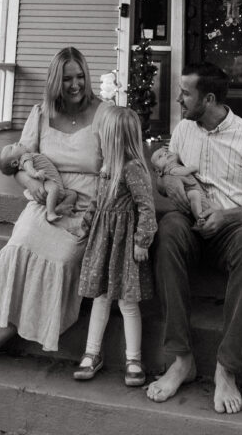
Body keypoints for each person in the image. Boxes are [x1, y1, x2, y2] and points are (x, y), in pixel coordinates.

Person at [0, 47, 111, 370]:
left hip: (86, 208)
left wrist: (95, 210)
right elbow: (18, 162)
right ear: (54, 81)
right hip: (44, 198)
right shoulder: (42, 113)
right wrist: (28, 182)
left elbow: (116, 168)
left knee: (59, 260)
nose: (75, 85)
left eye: (80, 77)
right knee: (18, 247)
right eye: (67, 79)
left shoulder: (105, 113)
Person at [147, 62, 242, 415]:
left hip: (230, 227)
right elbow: (165, 179)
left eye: (185, 93)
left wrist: (227, 216)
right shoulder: (184, 130)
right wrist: (170, 185)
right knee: (169, 229)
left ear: (207, 98)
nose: (177, 98)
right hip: (189, 223)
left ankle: (226, 369)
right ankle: (181, 359)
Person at [74, 107, 157, 388]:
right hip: (103, 241)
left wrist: (141, 241)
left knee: (126, 301)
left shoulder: (132, 168)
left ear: (115, 138)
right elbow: (97, 202)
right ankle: (92, 353)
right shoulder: (106, 167)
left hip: (124, 244)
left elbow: (146, 207)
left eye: (103, 135)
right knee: (100, 296)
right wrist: (85, 225)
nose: (99, 139)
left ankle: (134, 359)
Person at [0, 142, 78, 222]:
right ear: (15, 163)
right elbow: (29, 168)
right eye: (12, 148)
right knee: (54, 188)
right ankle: (50, 213)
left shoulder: (29, 156)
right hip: (46, 182)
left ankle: (60, 207)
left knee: (72, 194)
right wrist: (35, 174)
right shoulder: (25, 157)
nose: (15, 143)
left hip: (58, 188)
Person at [150, 146, 210, 226]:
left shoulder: (176, 165)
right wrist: (192, 168)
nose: (165, 154)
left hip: (201, 196)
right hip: (188, 194)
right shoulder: (171, 170)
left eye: (166, 151)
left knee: (214, 205)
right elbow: (180, 172)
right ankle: (199, 218)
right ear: (159, 172)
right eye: (160, 156)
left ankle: (206, 215)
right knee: (195, 195)